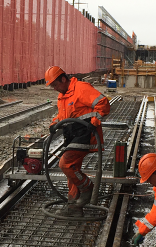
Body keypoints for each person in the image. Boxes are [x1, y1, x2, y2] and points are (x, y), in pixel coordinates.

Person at [45, 66, 111, 216]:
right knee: (72, 170)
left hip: (85, 134)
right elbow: (64, 116)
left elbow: (104, 104)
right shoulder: (63, 95)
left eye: (55, 85)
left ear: (63, 78)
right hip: (72, 136)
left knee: (65, 164)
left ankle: (87, 187)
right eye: (52, 86)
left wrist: (94, 121)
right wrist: (54, 123)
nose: (55, 88)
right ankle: (74, 206)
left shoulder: (81, 88)